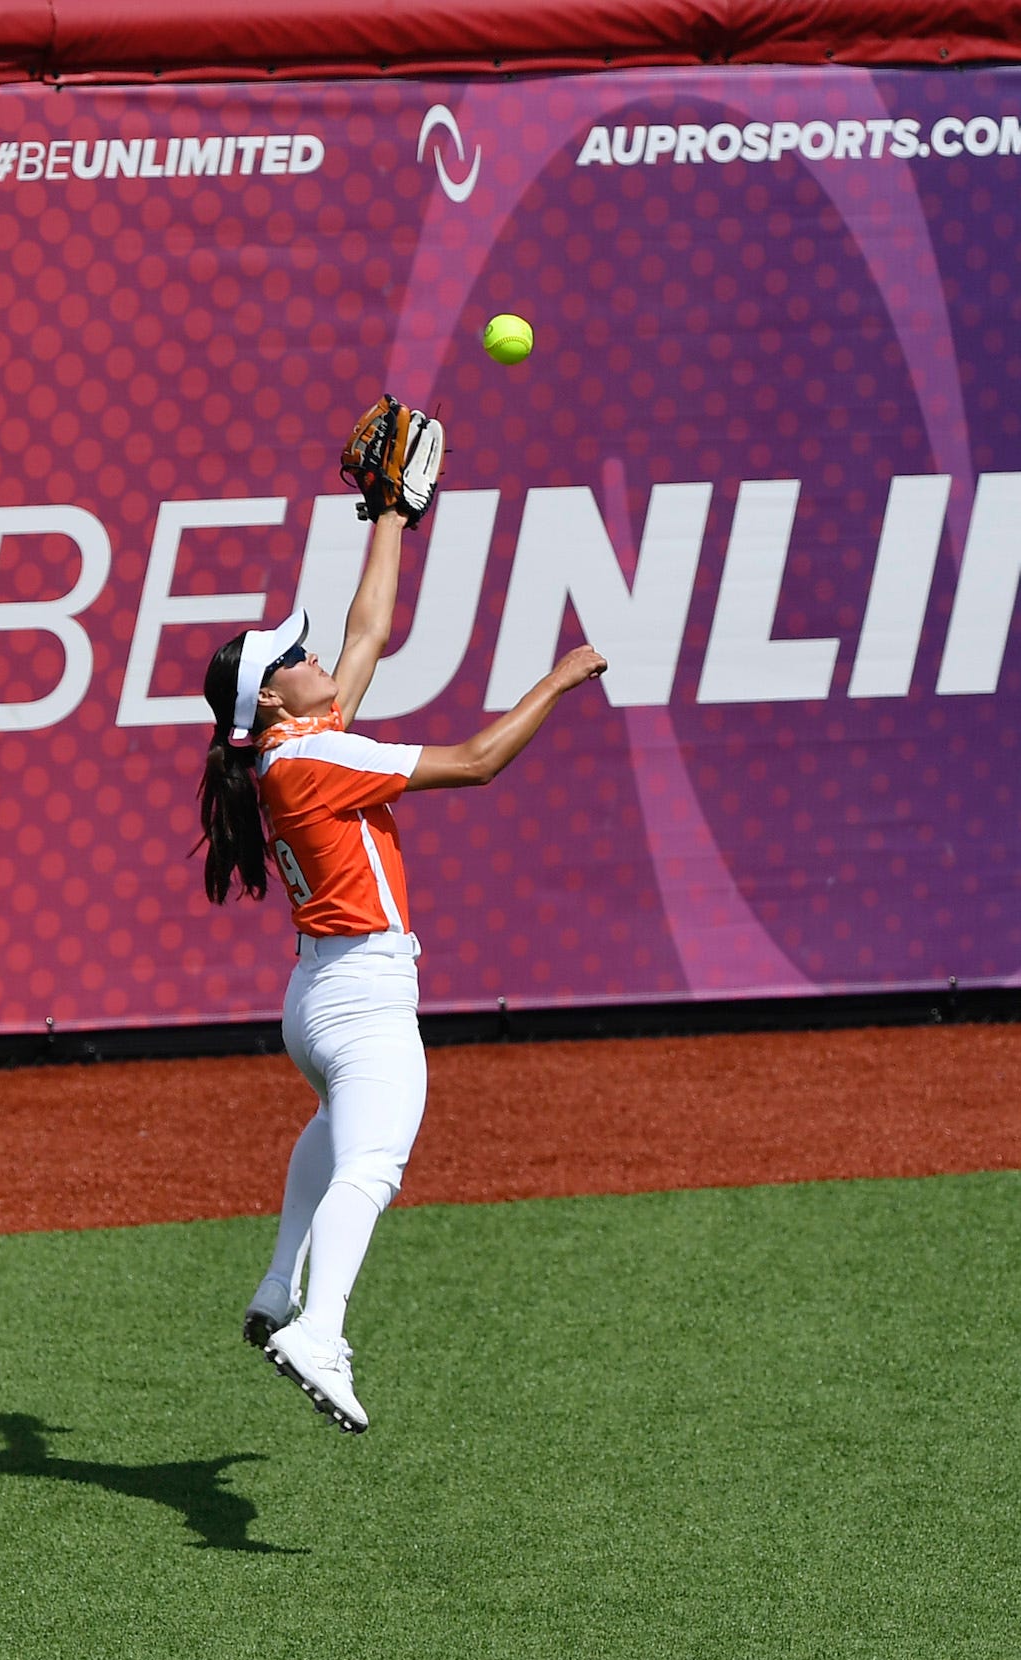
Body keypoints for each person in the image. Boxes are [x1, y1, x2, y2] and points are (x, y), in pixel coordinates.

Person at [195, 396, 607, 1434]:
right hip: (364, 994)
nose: (312, 653)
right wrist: (558, 678)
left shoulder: (291, 750)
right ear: (277, 704)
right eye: (293, 657)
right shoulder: (313, 760)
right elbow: (473, 763)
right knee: (373, 1161)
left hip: (318, 997)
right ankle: (317, 1329)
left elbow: (365, 628)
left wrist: (386, 513)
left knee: (339, 1131)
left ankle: (277, 1281)